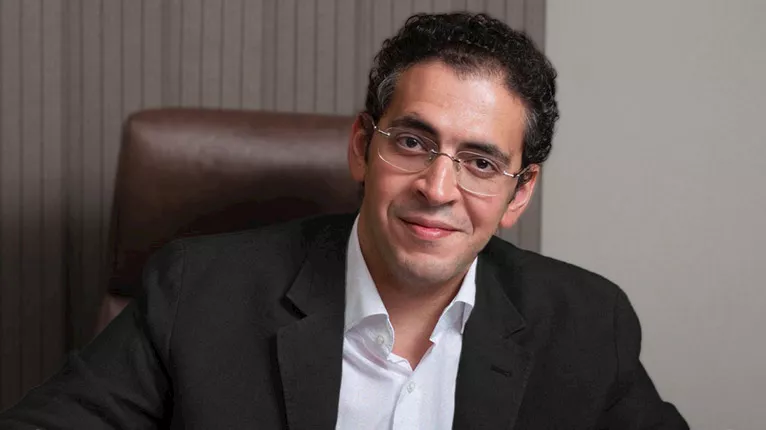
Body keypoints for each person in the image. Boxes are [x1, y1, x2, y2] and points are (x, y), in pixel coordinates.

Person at [0, 12, 687, 429]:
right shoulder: (197, 291)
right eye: (412, 142)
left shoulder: (586, 324)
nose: (438, 189)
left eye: (480, 162)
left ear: (519, 192)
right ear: (362, 146)